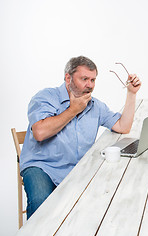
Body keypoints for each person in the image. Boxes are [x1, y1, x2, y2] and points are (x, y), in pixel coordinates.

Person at [20, 56, 141, 219]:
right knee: (41, 201)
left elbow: (122, 126)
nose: (90, 85)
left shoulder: (95, 105)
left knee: (109, 197)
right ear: (68, 77)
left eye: (93, 80)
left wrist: (131, 94)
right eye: (84, 79)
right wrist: (73, 110)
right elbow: (40, 133)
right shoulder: (46, 97)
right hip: (42, 166)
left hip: (75, 168)